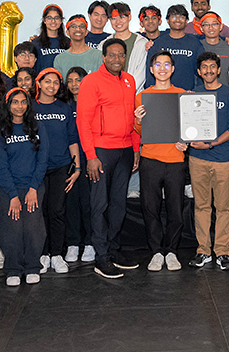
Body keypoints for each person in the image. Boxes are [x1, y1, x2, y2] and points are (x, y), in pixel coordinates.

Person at [76, 39, 141, 279]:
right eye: (112, 55)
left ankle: (113, 251)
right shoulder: (91, 81)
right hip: (101, 152)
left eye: (121, 55)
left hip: (125, 151)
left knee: (118, 205)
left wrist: (135, 148)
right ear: (103, 57)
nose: (116, 59)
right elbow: (83, 121)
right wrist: (91, 156)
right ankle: (101, 257)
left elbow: (133, 119)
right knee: (99, 205)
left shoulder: (129, 80)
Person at [187, 53, 229, 271]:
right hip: (197, 159)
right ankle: (203, 251)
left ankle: (222, 252)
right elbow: (186, 126)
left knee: (223, 207)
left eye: (212, 67)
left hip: (223, 160)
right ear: (198, 72)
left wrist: (210, 144)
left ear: (219, 70)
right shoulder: (192, 95)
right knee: (201, 206)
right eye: (204, 67)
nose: (208, 70)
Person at [134, 51, 187, 272]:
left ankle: (172, 251)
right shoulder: (142, 96)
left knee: (176, 208)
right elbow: (139, 132)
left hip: (175, 160)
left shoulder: (183, 95)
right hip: (150, 159)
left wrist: (186, 141)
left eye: (166, 64)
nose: (162, 68)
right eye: (158, 64)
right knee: (150, 208)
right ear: (151, 69)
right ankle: (156, 251)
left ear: (172, 69)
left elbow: (189, 126)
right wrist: (138, 121)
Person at [0, 88, 49, 286]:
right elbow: (0, 164)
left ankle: (32, 266)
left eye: (23, 102)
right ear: (7, 105)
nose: (19, 106)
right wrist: (13, 195)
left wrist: (33, 188)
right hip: (8, 188)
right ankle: (13, 269)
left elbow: (43, 158)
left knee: (33, 228)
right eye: (15, 102)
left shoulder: (37, 126)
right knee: (11, 229)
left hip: (33, 186)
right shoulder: (0, 130)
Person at [33, 68, 82, 275]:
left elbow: (72, 139)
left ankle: (57, 254)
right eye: (47, 81)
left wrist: (77, 167)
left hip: (60, 166)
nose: (51, 86)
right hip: (36, 169)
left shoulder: (64, 107)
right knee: (40, 212)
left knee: (58, 211)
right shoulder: (30, 107)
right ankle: (43, 253)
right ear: (39, 83)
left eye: (55, 82)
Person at [63, 66, 95, 263]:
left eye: (78, 80)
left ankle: (90, 243)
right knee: (71, 203)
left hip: (90, 159)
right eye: (70, 80)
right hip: (69, 163)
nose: (74, 84)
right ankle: (73, 243)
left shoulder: (93, 103)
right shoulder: (63, 105)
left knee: (89, 203)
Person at [145, 4, 205, 91]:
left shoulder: (195, 43)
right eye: (173, 17)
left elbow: (202, 70)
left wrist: (197, 91)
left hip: (186, 94)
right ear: (167, 20)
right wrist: (151, 93)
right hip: (161, 94)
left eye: (181, 17)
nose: (177, 20)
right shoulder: (158, 44)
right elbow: (150, 73)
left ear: (186, 21)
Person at [101, 2, 149, 92]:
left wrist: (126, 91)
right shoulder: (103, 44)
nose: (118, 22)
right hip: (108, 94)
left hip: (134, 95)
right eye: (114, 18)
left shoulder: (142, 43)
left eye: (122, 17)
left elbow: (141, 74)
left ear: (129, 17)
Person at [198, 12, 229, 88]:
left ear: (221, 27)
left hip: (224, 92)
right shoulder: (196, 47)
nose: (211, 27)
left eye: (214, 24)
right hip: (201, 93)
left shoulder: (228, 48)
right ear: (201, 28)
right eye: (206, 24)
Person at [33, 4, 70, 73]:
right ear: (44, 20)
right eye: (49, 18)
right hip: (42, 79)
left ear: (61, 20)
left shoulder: (68, 43)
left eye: (56, 18)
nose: (53, 21)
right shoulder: (36, 43)